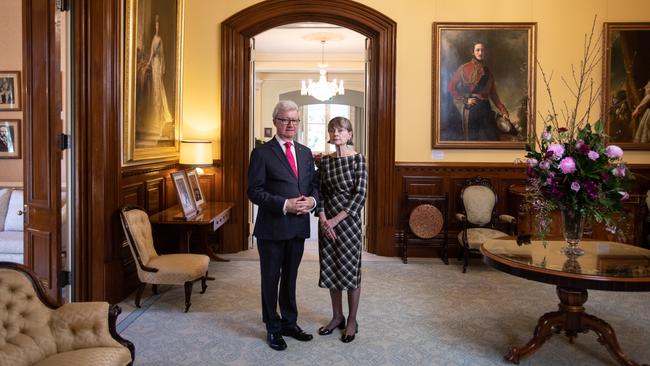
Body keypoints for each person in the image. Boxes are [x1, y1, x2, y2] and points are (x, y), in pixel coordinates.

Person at [247, 100, 319, 351]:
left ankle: (289, 322)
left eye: (295, 120)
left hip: (298, 227)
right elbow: (254, 192)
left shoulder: (305, 152)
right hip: (272, 228)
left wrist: (311, 201)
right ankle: (273, 327)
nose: (291, 124)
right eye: (286, 119)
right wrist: (284, 205)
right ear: (275, 121)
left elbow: (313, 187)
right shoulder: (261, 153)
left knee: (290, 278)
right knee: (270, 279)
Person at [316, 116, 367, 343]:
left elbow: (360, 195)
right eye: (332, 130)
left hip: (348, 222)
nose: (336, 133)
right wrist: (323, 219)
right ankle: (337, 316)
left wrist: (335, 221)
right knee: (331, 269)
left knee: (349, 271)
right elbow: (320, 192)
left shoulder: (359, 160)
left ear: (349, 134)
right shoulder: (325, 162)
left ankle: (352, 320)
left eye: (341, 130)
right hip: (327, 222)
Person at [448, 41, 509, 141]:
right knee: (473, 141)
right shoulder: (464, 68)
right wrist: (465, 100)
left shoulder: (488, 72)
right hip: (472, 110)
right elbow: (451, 87)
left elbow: (493, 95)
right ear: (473, 52)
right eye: (478, 50)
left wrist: (503, 111)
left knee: (492, 139)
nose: (480, 53)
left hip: (486, 109)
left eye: (482, 50)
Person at [144, 14, 173, 139]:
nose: (157, 28)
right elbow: (151, 53)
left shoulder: (160, 39)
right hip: (154, 63)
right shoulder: (153, 39)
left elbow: (161, 55)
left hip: (158, 64)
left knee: (159, 89)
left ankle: (161, 116)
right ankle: (155, 118)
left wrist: (161, 67)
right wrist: (148, 64)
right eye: (155, 25)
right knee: (155, 90)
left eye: (158, 26)